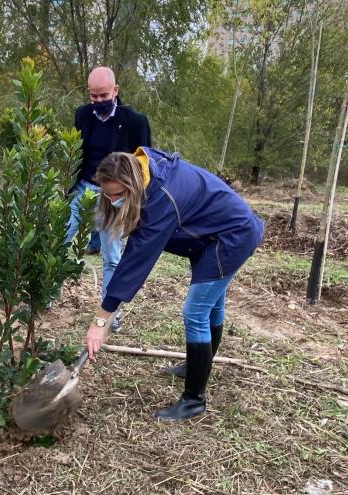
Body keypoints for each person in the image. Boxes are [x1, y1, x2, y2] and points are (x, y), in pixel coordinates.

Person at [83, 147, 264, 421]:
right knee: (212, 305)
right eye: (106, 194)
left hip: (232, 236)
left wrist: (101, 321)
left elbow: (134, 262)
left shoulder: (161, 199)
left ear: (132, 185)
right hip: (213, 233)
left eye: (117, 195)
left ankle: (194, 400)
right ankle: (196, 365)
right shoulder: (145, 167)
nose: (112, 200)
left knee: (196, 312)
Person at [67, 66, 151, 331]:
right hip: (84, 188)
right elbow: (76, 154)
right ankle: (44, 296)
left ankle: (110, 311)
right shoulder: (82, 115)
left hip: (114, 195)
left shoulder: (135, 121)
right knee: (60, 240)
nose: (99, 102)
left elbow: (144, 162)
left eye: (104, 95)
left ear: (115, 91)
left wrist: (133, 200)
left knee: (112, 256)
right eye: (94, 97)